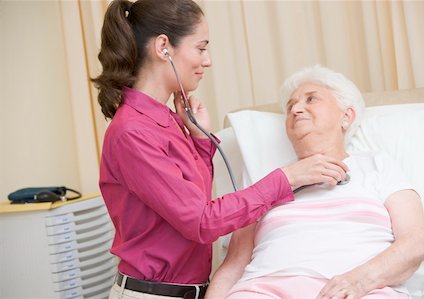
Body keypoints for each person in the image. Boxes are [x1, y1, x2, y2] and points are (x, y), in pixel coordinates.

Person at [92, 1, 349, 298]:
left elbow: (194, 200)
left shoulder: (167, 120)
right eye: (201, 48)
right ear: (164, 47)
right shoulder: (132, 132)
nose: (208, 60)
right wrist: (287, 177)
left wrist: (200, 139)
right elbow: (202, 222)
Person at [205, 65, 424, 299]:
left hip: (361, 289)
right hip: (264, 290)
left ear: (346, 116)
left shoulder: (377, 165)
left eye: (311, 99)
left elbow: (415, 242)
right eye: (290, 106)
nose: (296, 110)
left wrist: (356, 282)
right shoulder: (268, 183)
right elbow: (233, 266)